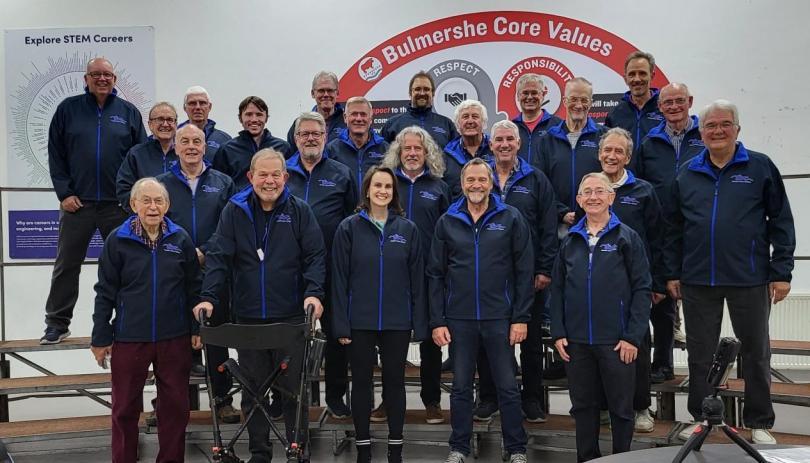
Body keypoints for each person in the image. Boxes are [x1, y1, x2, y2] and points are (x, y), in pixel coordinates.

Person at [665, 100, 796, 445]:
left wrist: (781, 271)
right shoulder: (688, 172)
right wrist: (673, 272)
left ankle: (759, 421)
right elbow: (674, 228)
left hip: (749, 277)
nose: (718, 131)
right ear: (702, 132)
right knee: (700, 353)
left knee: (755, 351)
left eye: (725, 124)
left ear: (738, 129)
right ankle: (701, 417)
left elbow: (781, 221)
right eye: (711, 126)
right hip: (697, 278)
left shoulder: (760, 167)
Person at [194, 148, 326, 463]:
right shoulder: (234, 211)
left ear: (286, 177)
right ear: (251, 177)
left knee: (293, 390)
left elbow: (315, 257)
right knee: (253, 391)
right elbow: (219, 258)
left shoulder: (300, 211)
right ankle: (260, 453)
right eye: (262, 175)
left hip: (291, 318)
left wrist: (314, 293)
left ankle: (297, 450)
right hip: (248, 318)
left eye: (275, 174)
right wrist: (209, 297)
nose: (269, 181)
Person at [91, 177, 202, 463]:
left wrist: (196, 328)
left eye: (159, 201)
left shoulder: (181, 239)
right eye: (146, 200)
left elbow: (194, 288)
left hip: (174, 337)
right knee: (125, 408)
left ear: (167, 205)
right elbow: (105, 291)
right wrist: (101, 336)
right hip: (129, 337)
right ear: (133, 204)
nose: (153, 207)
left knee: (175, 408)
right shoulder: (118, 240)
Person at [429, 158, 532, 463]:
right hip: (459, 319)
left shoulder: (511, 217)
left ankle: (516, 448)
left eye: (481, 180)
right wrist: (438, 320)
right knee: (460, 388)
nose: (476, 185)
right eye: (470, 180)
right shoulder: (448, 221)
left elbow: (524, 271)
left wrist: (521, 317)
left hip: (499, 317)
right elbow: (435, 273)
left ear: (491, 183)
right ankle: (459, 447)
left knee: (508, 387)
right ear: (462, 184)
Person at [42, 56, 147, 344]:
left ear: (115, 80)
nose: (102, 79)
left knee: (126, 265)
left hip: (118, 205)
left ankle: (129, 320)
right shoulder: (68, 110)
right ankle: (57, 323)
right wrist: (64, 193)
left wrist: (133, 199)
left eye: (108, 75)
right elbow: (56, 153)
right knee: (67, 264)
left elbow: (140, 157)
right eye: (96, 74)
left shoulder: (128, 112)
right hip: (79, 205)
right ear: (86, 79)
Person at [551, 172, 652, 462]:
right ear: (579, 201)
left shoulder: (627, 238)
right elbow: (556, 290)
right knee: (583, 407)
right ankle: (587, 458)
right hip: (577, 342)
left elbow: (643, 288)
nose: (593, 197)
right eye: (587, 192)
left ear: (611, 197)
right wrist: (559, 333)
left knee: (621, 409)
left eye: (599, 191)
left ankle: (621, 458)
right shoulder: (569, 240)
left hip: (617, 341)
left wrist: (632, 336)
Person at [331, 165, 428, 463]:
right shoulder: (348, 228)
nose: (382, 191)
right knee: (361, 384)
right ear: (367, 190)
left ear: (394, 192)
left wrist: (419, 323)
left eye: (388, 186)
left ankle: (395, 449)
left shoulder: (407, 230)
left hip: (397, 322)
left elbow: (418, 281)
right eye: (377, 186)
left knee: (394, 384)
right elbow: (338, 279)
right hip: (359, 321)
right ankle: (363, 449)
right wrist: (341, 325)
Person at [474, 120, 557, 423]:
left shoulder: (536, 179)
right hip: (489, 276)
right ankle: (488, 397)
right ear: (490, 143)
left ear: (519, 144)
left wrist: (544, 269)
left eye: (511, 138)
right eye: (499, 139)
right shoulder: (478, 177)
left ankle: (531, 398)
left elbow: (548, 227)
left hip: (528, 276)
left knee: (531, 342)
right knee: (487, 340)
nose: (505, 144)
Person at [156, 124, 238, 423]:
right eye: (185, 141)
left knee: (215, 339)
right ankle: (166, 402)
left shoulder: (223, 182)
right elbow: (157, 224)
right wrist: (184, 252)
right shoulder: (160, 184)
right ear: (175, 147)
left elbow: (228, 225)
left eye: (197, 141)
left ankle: (222, 400)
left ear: (206, 147)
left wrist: (204, 249)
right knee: (172, 342)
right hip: (174, 271)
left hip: (214, 269)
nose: (191, 146)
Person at [286, 112, 357, 420]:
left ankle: (336, 396)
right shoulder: (282, 172)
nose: (311, 138)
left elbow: (353, 219)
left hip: (331, 268)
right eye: (305, 134)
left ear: (326, 137)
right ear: (296, 138)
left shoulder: (341, 173)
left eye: (317, 133)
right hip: (288, 268)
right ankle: (285, 395)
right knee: (287, 335)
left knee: (335, 334)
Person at [380, 125, 451, 425]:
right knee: (390, 340)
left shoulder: (439, 187)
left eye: (418, 149)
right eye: (406, 148)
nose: (412, 153)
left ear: (427, 153)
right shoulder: (386, 183)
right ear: (399, 152)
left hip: (429, 273)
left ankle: (431, 401)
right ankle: (387, 400)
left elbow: (448, 231)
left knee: (431, 339)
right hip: (392, 273)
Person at [634, 82, 704, 380]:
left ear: (689, 101)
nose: (674, 107)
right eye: (668, 103)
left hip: (697, 228)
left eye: (679, 101)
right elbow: (638, 183)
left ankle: (704, 378)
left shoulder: (706, 136)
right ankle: (661, 363)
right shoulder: (649, 143)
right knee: (661, 294)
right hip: (660, 227)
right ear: (659, 107)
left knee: (700, 305)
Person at [597, 127, 665, 433]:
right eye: (607, 150)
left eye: (618, 151)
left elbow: (658, 239)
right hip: (597, 286)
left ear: (628, 156)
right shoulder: (590, 187)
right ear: (599, 154)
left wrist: (658, 283)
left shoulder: (644, 191)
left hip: (636, 285)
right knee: (598, 345)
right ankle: (601, 405)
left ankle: (640, 407)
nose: (612, 156)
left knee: (636, 345)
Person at [536, 77, 606, 230]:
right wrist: (561, 212)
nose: (579, 105)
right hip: (556, 226)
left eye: (584, 100)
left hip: (596, 223)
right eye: (573, 99)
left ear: (591, 102)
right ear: (564, 101)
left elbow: (610, 180)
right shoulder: (547, 140)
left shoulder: (604, 138)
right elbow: (541, 184)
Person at [212, 96, 291, 190]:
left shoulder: (283, 148)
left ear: (266, 118)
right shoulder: (226, 150)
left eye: (259, 114)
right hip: (239, 204)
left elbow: (290, 183)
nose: (254, 119)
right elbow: (220, 186)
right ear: (240, 118)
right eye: (249, 114)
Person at [116, 101, 179, 211]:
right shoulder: (136, 154)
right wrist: (140, 212)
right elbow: (124, 189)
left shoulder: (184, 153)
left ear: (176, 124)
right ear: (150, 124)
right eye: (160, 119)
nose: (165, 124)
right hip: (145, 220)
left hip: (178, 221)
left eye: (170, 120)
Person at [326, 96, 389, 195]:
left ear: (371, 119)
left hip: (374, 209)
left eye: (363, 114)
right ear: (345, 118)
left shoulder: (385, 150)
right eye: (354, 114)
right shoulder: (331, 150)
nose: (359, 119)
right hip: (343, 209)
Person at [605, 51, 663, 154]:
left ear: (652, 75)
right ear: (625, 78)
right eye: (632, 74)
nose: (637, 79)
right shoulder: (615, 114)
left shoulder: (665, 109)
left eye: (642, 73)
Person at [381, 71, 459, 148]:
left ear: (433, 93)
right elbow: (381, 156)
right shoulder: (392, 124)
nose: (422, 93)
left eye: (426, 89)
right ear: (410, 93)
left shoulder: (446, 124)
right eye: (417, 89)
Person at [442, 100, 493, 200]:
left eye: (475, 117)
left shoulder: (495, 150)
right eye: (465, 117)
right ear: (458, 124)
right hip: (457, 214)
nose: (470, 121)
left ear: (483, 123)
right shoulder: (446, 156)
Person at [511, 73, 562, 165]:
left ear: (543, 95)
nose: (530, 97)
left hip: (546, 179)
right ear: (518, 96)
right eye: (525, 93)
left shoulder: (558, 125)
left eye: (534, 93)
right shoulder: (510, 127)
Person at [286, 71, 347, 148]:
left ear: (337, 93)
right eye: (321, 91)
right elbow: (291, 156)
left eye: (330, 90)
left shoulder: (347, 122)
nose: (326, 95)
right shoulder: (300, 124)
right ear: (312, 93)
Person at [179, 85, 232, 161]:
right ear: (185, 108)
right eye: (192, 103)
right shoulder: (175, 137)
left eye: (202, 103)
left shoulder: (224, 139)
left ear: (209, 107)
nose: (198, 107)